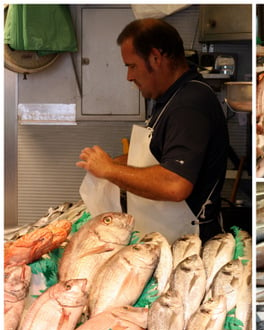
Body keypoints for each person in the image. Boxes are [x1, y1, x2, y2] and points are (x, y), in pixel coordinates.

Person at [76, 18, 229, 242]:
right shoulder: (171, 98)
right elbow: (162, 156)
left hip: (189, 243)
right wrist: (115, 163)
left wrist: (110, 170)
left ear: (156, 58)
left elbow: (175, 184)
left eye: (132, 65)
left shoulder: (190, 104)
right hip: (166, 237)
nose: (129, 76)